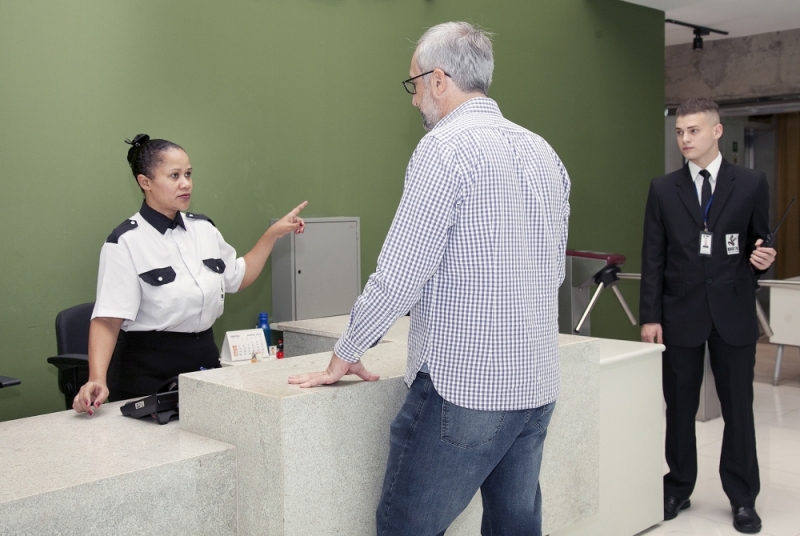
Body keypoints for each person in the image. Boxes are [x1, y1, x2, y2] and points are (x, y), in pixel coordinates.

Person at [289, 22, 570, 536]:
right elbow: (553, 269)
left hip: (465, 389)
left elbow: (399, 275)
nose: (415, 99)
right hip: (536, 383)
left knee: (405, 528)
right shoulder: (543, 152)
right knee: (515, 527)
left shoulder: (443, 149)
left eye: (414, 84)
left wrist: (345, 353)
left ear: (439, 80)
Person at [73, 134, 306, 414]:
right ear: (145, 182)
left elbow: (237, 277)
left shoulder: (204, 229)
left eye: (188, 174)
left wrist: (273, 234)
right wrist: (97, 378)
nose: (185, 183)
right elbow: (108, 319)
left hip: (204, 362)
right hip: (149, 372)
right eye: (174, 176)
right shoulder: (126, 241)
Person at [640, 98, 776, 534]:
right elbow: (653, 257)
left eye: (693, 131)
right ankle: (677, 486)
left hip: (733, 312)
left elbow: (761, 243)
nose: (684, 139)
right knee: (678, 408)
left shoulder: (752, 182)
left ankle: (742, 498)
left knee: (739, 409)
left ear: (717, 132)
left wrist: (764, 259)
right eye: (680, 132)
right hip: (678, 315)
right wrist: (649, 316)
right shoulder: (663, 189)